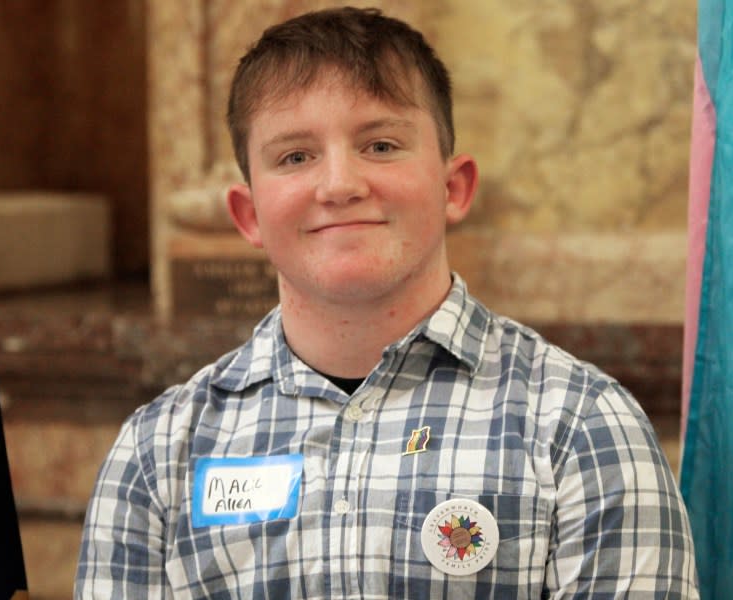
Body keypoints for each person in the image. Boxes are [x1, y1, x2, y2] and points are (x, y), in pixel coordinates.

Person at [75, 7, 699, 598]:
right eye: (295, 156)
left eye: (380, 145)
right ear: (248, 215)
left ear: (454, 188)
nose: (340, 185)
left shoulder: (581, 427)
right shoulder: (158, 453)